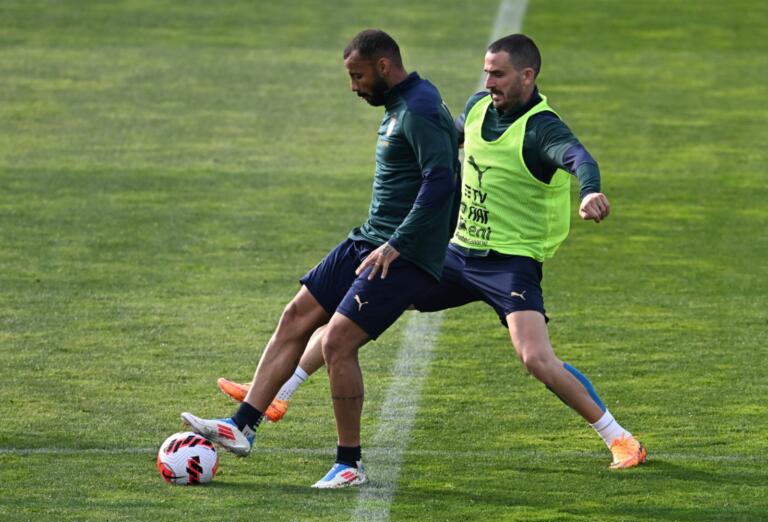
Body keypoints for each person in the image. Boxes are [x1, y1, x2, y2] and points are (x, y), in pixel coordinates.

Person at [217, 33, 647, 472]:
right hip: (456, 252)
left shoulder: (541, 127)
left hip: (509, 264)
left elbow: (579, 157)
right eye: (487, 71)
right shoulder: (480, 106)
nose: (489, 80)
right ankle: (275, 395)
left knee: (534, 357)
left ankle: (619, 438)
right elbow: (451, 136)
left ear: (527, 75)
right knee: (357, 306)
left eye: (498, 73)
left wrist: (590, 192)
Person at [181, 29, 460, 489]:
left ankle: (349, 464)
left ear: (384, 67)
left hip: (399, 255)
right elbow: (448, 145)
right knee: (296, 316)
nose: (353, 87)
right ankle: (242, 424)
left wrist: (399, 244)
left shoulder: (420, 108)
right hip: (369, 239)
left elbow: (440, 182)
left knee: (337, 344)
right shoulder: (407, 105)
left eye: (358, 76)